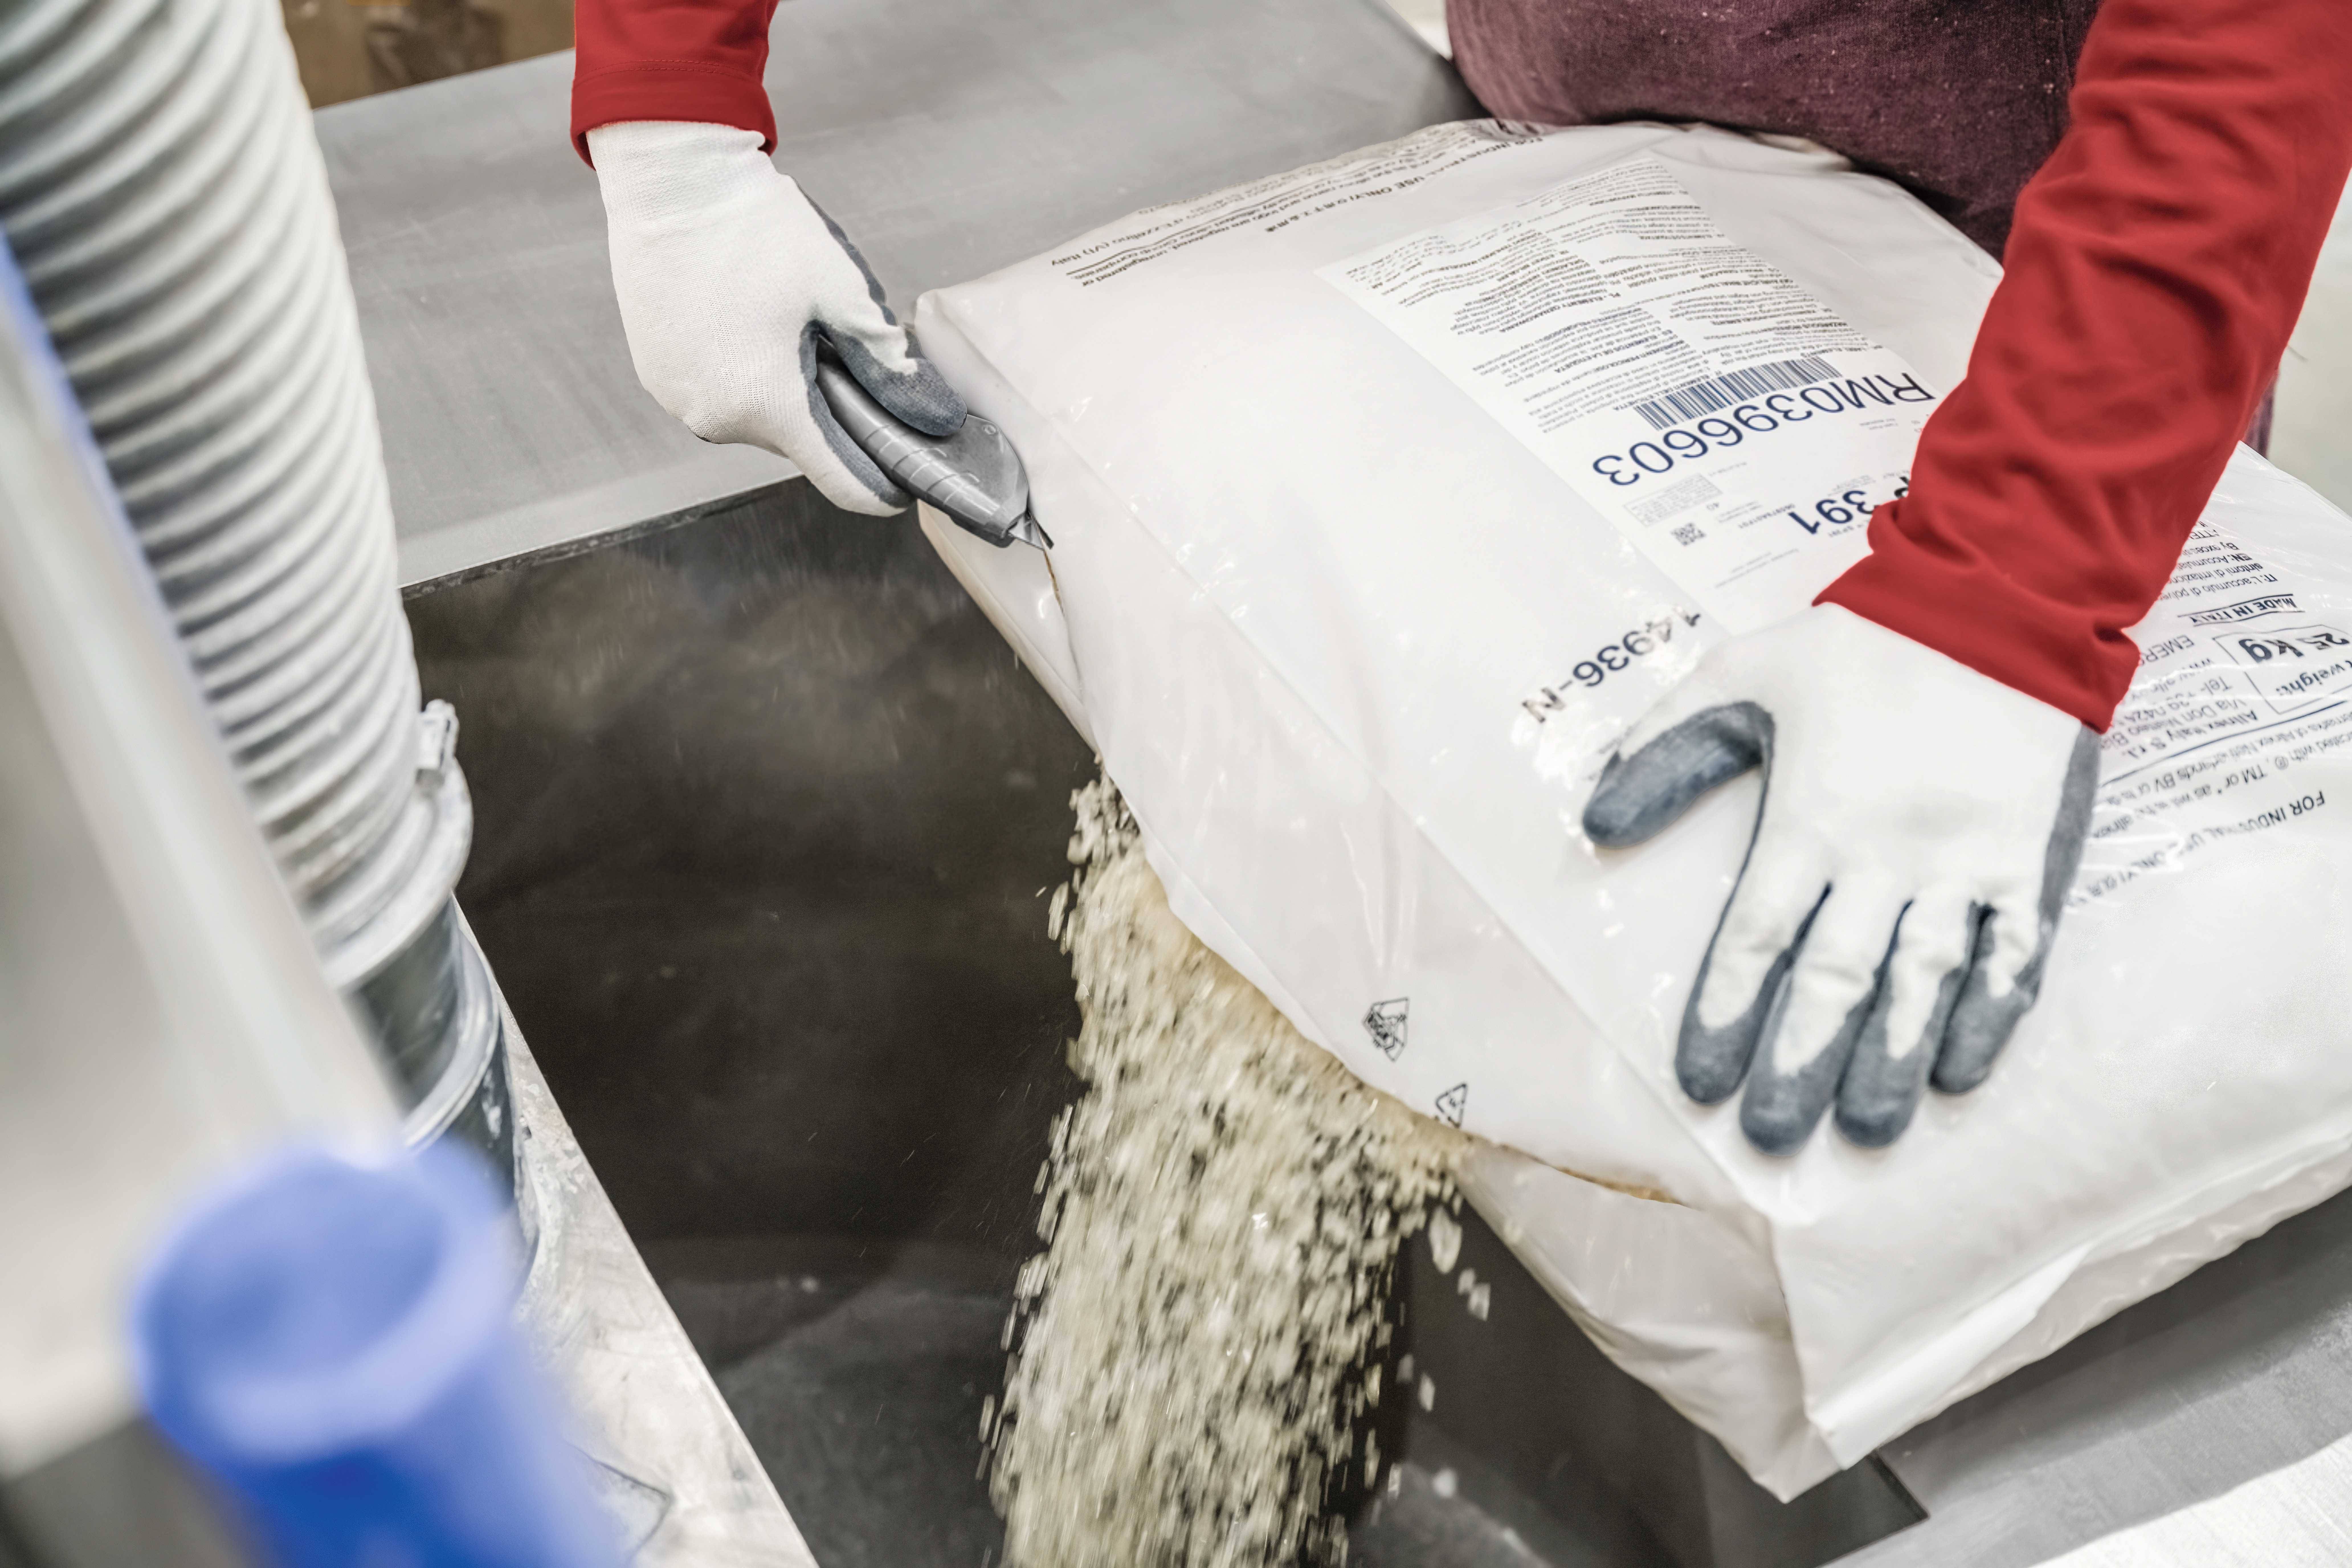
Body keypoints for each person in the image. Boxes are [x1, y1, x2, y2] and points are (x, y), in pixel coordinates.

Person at [568, 0, 2352, 1153]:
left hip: (2038, 271)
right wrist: (671, 117)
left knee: (1912, 984)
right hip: (1553, 126)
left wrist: (2008, 596)